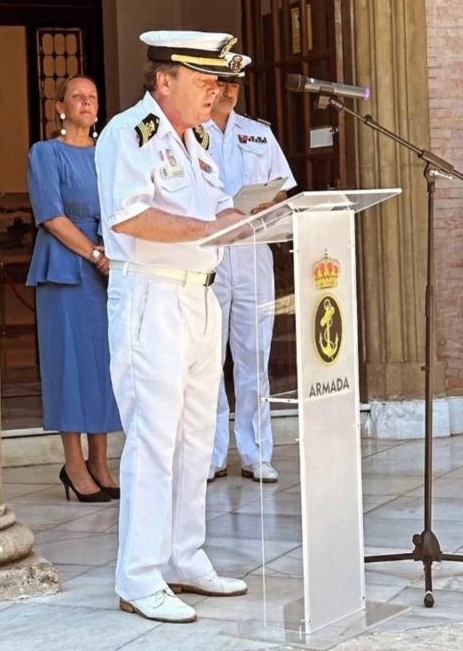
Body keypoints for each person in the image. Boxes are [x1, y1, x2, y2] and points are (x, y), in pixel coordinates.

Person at [95, 31, 251, 624]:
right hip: (151, 299)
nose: (215, 90)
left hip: (200, 299)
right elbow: (130, 217)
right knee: (154, 439)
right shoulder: (130, 133)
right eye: (203, 80)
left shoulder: (202, 139)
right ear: (165, 80)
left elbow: (210, 210)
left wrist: (248, 215)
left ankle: (184, 556)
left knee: (194, 438)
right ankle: (138, 576)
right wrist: (208, 231)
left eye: (218, 81)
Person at [26, 75, 122, 504]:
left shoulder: (109, 154)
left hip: (107, 267)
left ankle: (101, 461)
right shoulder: (45, 153)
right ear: (60, 107)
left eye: (93, 97)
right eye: (77, 97)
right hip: (67, 266)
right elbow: (50, 215)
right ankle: (74, 464)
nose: (86, 102)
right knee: (70, 365)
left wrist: (113, 255)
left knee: (104, 364)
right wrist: (94, 254)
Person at [204, 77, 296, 485]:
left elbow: (284, 188)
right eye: (219, 83)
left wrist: (268, 201)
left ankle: (256, 452)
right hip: (209, 254)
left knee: (254, 359)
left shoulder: (258, 134)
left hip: (254, 251)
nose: (226, 92)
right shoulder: (189, 132)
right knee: (207, 359)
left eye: (233, 85)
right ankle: (210, 453)